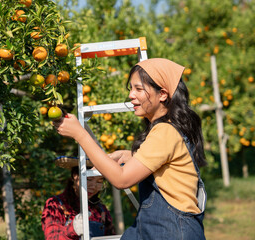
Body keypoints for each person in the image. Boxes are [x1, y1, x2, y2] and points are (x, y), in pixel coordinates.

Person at [52, 58, 207, 239]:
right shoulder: (168, 128)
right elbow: (163, 160)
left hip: (172, 231)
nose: (131, 95)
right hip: (163, 228)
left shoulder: (164, 132)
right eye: (131, 89)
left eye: (139, 89)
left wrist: (80, 134)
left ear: (162, 94)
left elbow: (122, 179)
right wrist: (128, 155)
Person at [41, 156, 116, 239]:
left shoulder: (101, 210)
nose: (93, 186)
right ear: (75, 176)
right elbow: (52, 237)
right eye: (89, 179)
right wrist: (73, 229)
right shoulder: (55, 204)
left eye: (99, 181)